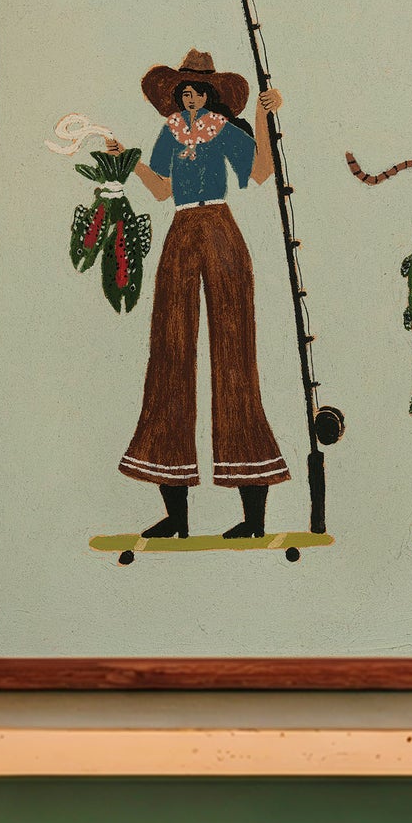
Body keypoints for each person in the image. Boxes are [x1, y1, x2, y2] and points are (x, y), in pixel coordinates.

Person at [107, 48, 290, 539]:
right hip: (181, 232)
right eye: (183, 92)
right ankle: (176, 515)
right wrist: (129, 161)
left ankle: (254, 516)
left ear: (210, 95)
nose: (190, 99)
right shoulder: (169, 131)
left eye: (197, 91)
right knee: (170, 354)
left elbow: (260, 172)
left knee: (235, 358)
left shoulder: (223, 129)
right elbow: (162, 190)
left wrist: (263, 117)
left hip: (221, 231)